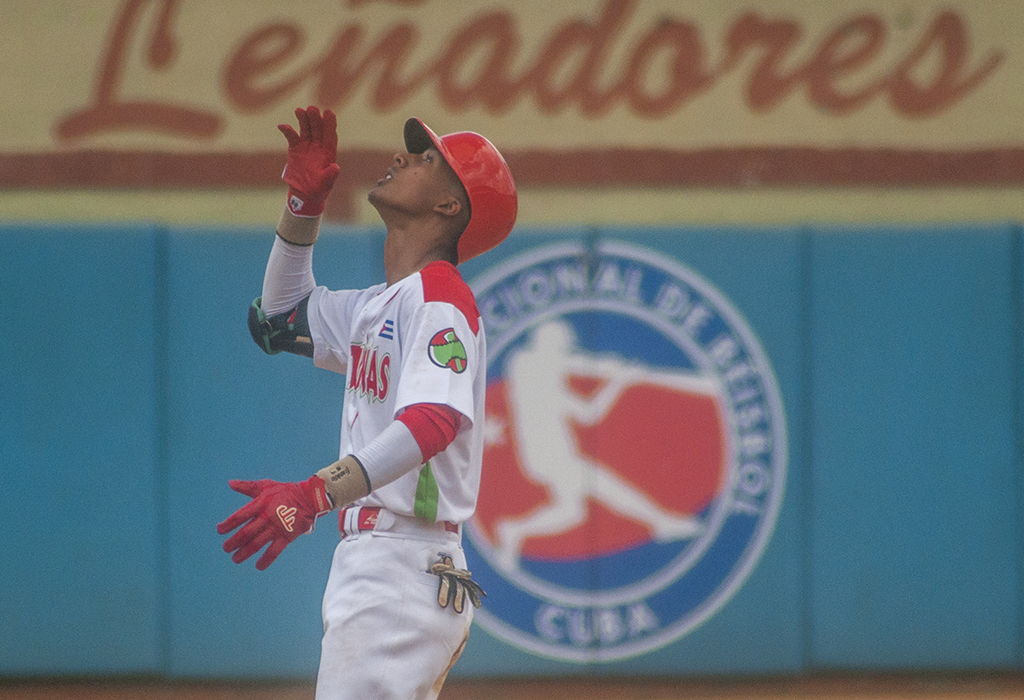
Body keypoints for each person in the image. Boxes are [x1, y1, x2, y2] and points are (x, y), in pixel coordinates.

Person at [216, 105, 517, 700]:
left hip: (403, 562)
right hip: (382, 566)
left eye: (427, 158)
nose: (402, 156)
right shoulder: (382, 302)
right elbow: (278, 319)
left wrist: (313, 493)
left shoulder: (440, 295)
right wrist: (302, 206)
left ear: (450, 207)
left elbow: (431, 423)